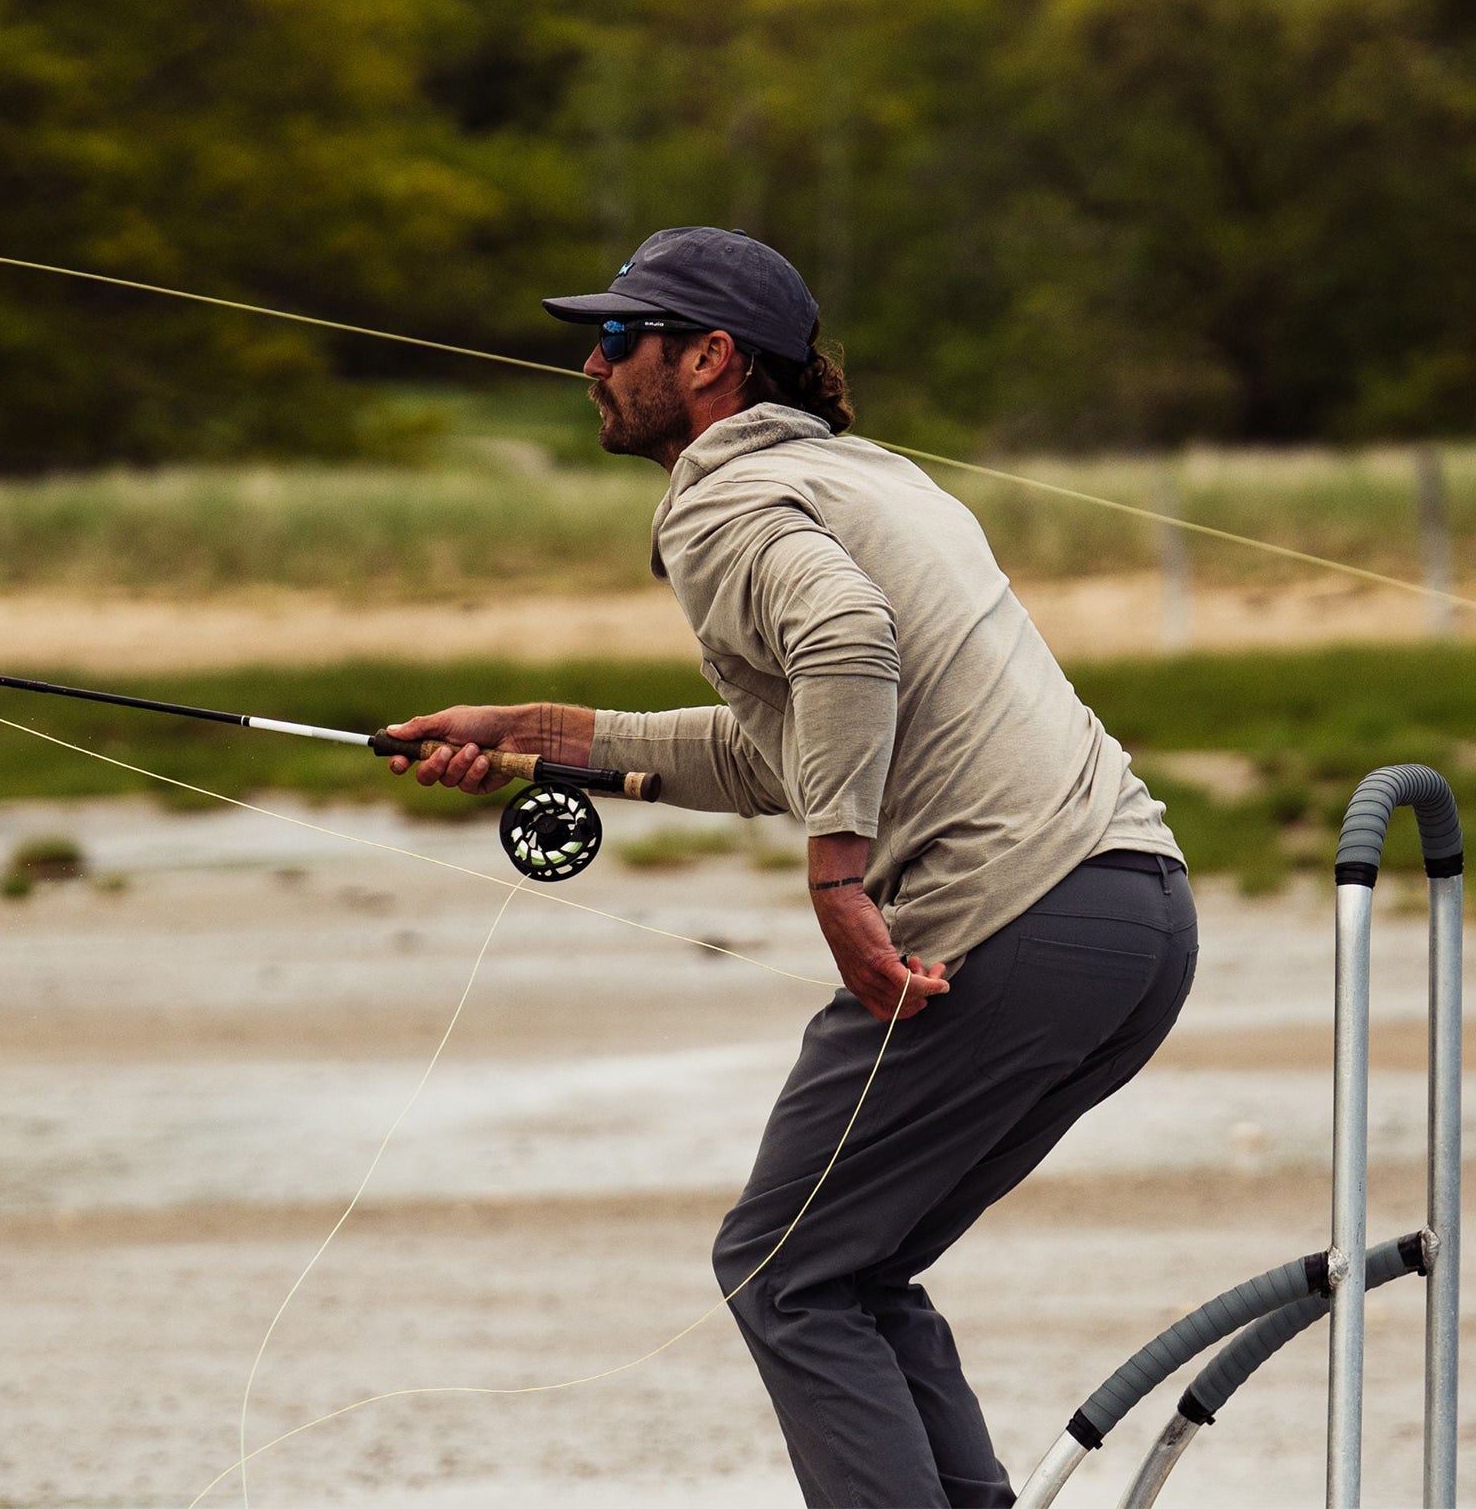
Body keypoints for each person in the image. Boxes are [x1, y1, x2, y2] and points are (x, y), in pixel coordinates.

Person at [382, 225, 1194, 1509]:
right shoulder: (869, 480)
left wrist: (838, 888)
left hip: (1013, 924)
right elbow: (802, 750)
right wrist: (537, 736)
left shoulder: (725, 498)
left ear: (708, 360)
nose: (590, 367)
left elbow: (847, 648)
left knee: (784, 1271)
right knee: (851, 1273)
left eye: (614, 338)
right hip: (1138, 919)